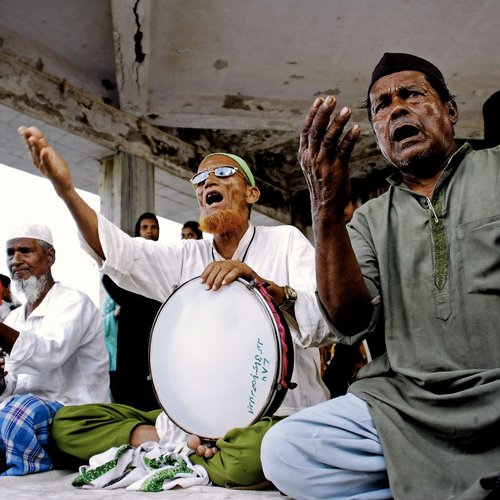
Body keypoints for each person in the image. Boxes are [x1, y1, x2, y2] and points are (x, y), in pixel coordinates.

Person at [16, 129, 334, 489]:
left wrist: (267, 286)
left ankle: (192, 449)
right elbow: (120, 252)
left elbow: (323, 321)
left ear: (251, 193)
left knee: (255, 454)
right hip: (192, 421)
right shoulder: (187, 257)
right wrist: (66, 191)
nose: (207, 182)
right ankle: (179, 442)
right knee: (68, 425)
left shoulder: (286, 240)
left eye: (223, 173)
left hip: (278, 414)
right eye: (199, 179)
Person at [260, 52, 500, 499]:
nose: (397, 109)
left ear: (450, 110)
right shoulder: (368, 220)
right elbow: (349, 321)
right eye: (382, 106)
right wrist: (326, 210)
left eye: (412, 95)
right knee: (285, 451)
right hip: (404, 407)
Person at [0, 223, 110, 476]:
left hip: (74, 416)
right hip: (25, 418)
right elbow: (12, 384)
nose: (15, 260)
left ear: (50, 257)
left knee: (17, 413)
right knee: (14, 409)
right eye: (10, 253)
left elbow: (48, 355)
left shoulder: (74, 303)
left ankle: (25, 476)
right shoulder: (15, 319)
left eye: (25, 251)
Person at [101, 212, 162, 410]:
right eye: (145, 227)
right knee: (130, 382)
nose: (149, 231)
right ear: (138, 231)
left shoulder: (165, 257)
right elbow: (108, 278)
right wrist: (136, 302)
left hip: (155, 325)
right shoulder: (129, 255)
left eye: (153, 227)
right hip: (131, 325)